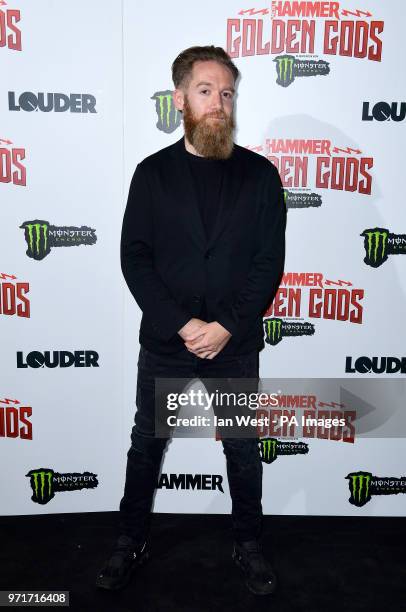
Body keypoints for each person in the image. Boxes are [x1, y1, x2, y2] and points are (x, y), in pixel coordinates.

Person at [96, 45, 286, 596]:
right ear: (179, 99)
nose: (218, 104)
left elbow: (266, 264)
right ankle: (130, 541)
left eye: (227, 93)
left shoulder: (260, 176)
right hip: (166, 343)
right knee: (146, 446)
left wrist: (224, 326)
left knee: (242, 448)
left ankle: (247, 542)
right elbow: (135, 258)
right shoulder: (151, 175)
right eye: (206, 91)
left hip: (233, 343)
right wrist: (183, 325)